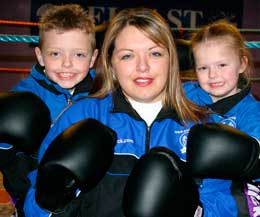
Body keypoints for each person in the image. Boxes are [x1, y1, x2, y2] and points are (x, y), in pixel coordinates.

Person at [24, 8, 260, 217]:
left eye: (155, 53)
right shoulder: (80, 116)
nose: (142, 66)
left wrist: (195, 211)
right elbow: (33, 202)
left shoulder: (204, 124)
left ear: (171, 61)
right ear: (111, 65)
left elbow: (227, 204)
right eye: (127, 55)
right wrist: (52, 201)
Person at [0, 3, 98, 216]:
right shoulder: (25, 95)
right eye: (55, 54)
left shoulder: (101, 97)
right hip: (34, 198)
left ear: (93, 58)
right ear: (40, 56)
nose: (67, 64)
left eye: (79, 55)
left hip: (85, 199)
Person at [184, 20, 260, 217]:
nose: (212, 75)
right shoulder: (186, 96)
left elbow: (257, 152)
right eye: (203, 68)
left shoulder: (251, 112)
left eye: (222, 65)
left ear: (242, 64)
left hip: (228, 208)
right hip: (182, 199)